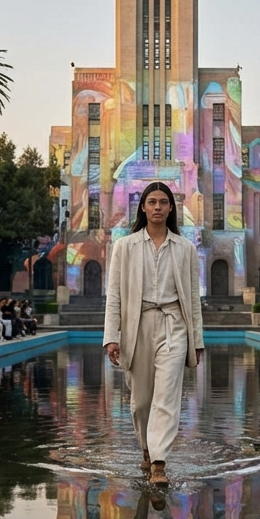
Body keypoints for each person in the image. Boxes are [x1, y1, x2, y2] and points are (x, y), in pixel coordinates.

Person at [103, 182, 205, 487]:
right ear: (143, 207)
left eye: (163, 202)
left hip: (174, 325)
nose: (158, 207)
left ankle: (159, 462)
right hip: (138, 324)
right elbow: (114, 295)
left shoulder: (185, 249)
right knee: (142, 400)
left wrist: (196, 340)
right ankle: (146, 448)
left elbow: (192, 299)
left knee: (167, 395)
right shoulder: (125, 246)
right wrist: (111, 336)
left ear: (171, 208)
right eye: (152, 202)